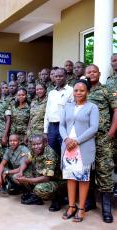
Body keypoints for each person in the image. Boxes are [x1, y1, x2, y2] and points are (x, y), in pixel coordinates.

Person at [59, 79, 99, 222]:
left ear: (87, 91)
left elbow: (93, 128)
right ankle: (71, 206)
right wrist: (66, 139)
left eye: (82, 90)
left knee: (82, 179)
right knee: (70, 177)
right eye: (76, 90)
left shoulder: (92, 107)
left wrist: (76, 141)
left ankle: (81, 209)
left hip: (83, 147)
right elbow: (61, 125)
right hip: (68, 147)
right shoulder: (67, 106)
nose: (78, 93)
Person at [85, 64, 117, 223]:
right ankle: (90, 201)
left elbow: (116, 110)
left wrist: (111, 132)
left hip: (102, 137)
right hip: (85, 139)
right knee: (88, 171)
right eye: (88, 72)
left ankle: (106, 208)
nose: (91, 74)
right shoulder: (82, 90)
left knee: (104, 171)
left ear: (99, 73)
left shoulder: (107, 90)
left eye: (94, 71)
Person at [16, 135, 59, 207]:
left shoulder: (49, 154)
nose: (36, 146)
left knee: (39, 189)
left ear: (45, 143)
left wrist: (26, 179)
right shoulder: (34, 151)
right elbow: (25, 162)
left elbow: (46, 178)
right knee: (21, 174)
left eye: (39, 144)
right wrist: (20, 172)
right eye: (34, 144)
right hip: (41, 176)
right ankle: (36, 197)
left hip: (56, 181)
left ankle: (57, 198)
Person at [44, 68, 73, 157]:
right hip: (52, 127)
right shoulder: (51, 93)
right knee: (52, 153)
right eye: (56, 76)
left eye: (60, 76)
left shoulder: (71, 90)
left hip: (64, 126)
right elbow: (47, 112)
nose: (58, 78)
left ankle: (64, 171)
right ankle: (54, 171)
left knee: (65, 152)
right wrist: (45, 131)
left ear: (66, 77)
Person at [106, 53, 117, 197]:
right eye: (113, 60)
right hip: (113, 123)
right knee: (113, 156)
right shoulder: (109, 81)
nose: (115, 62)